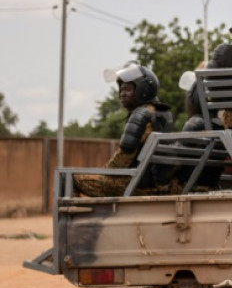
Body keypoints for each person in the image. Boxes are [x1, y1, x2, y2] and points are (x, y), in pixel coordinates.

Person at [74, 62, 174, 197]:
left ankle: (73, 218)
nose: (122, 93)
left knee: (70, 178)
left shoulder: (141, 114)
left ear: (143, 89)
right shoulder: (162, 113)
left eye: (127, 89)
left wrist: (103, 173)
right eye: (121, 89)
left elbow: (122, 159)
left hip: (137, 184)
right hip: (157, 183)